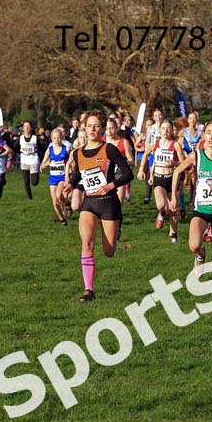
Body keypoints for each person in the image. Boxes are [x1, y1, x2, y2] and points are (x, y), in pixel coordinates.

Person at [62, 111, 134, 302]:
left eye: (96, 126)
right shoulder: (78, 152)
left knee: (108, 252)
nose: (93, 129)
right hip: (90, 203)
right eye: (89, 125)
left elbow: (128, 174)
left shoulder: (109, 149)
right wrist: (70, 183)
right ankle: (88, 290)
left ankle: (117, 226)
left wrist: (111, 185)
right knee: (86, 243)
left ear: (102, 129)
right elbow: (80, 174)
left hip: (109, 203)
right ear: (83, 128)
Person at [170, 119, 212, 311]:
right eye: (208, 133)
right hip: (201, 210)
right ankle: (199, 256)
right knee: (194, 244)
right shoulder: (196, 156)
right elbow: (176, 172)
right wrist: (174, 196)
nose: (211, 136)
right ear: (203, 135)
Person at [138, 120, 185, 243]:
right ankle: (161, 212)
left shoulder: (175, 145)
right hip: (159, 178)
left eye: (168, 128)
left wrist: (174, 163)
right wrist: (141, 170)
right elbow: (145, 155)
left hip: (172, 179)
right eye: (163, 128)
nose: (166, 131)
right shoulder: (155, 144)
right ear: (159, 130)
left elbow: (184, 162)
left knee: (174, 209)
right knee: (161, 205)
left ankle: (173, 234)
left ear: (172, 130)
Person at [40, 128, 72, 226]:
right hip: (53, 177)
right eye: (54, 138)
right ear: (51, 139)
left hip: (62, 176)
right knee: (55, 202)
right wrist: (43, 165)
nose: (57, 140)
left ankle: (66, 203)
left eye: (58, 138)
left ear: (62, 138)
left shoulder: (66, 149)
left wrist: (70, 169)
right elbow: (44, 162)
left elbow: (72, 160)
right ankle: (62, 219)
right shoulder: (49, 150)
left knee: (59, 195)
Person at [15, 121, 43, 200]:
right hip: (24, 161)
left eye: (28, 126)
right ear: (23, 128)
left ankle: (34, 174)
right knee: (26, 181)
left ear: (31, 128)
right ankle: (30, 198)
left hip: (33, 160)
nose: (26, 128)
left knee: (34, 182)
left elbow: (41, 147)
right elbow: (15, 147)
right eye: (25, 126)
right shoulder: (20, 138)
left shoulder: (35, 138)